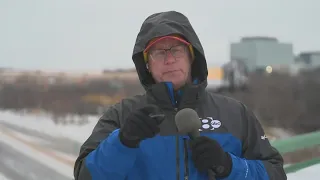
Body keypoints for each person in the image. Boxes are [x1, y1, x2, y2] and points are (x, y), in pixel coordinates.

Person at [74, 11, 286, 180]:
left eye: (176, 49)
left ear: (192, 56)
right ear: (147, 65)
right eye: (159, 52)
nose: (169, 60)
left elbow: (275, 173)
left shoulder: (235, 114)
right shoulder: (122, 115)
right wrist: (122, 143)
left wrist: (229, 166)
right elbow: (85, 175)